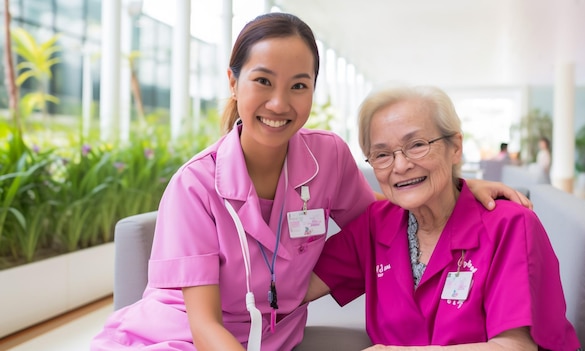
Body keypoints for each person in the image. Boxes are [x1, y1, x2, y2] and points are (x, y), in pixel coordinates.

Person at [91, 13, 531, 351]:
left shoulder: (328, 158)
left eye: (298, 85)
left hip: (272, 339)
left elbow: (389, 215)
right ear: (233, 82)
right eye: (262, 80)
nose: (279, 102)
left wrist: (454, 188)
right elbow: (204, 325)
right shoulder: (195, 187)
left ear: (313, 90)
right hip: (186, 338)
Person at [305, 85, 580, 350]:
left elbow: (514, 347)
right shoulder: (375, 225)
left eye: (417, 145)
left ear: (455, 147)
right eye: (382, 154)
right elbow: (287, 292)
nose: (400, 165)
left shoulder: (510, 226)